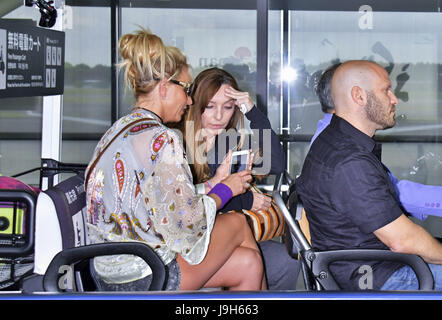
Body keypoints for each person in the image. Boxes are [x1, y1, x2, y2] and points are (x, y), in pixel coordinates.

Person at [85, 28, 266, 291]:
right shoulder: (163, 139)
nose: (190, 99)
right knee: (238, 222)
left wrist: (214, 183)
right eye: (185, 89)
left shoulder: (119, 130)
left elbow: (161, 202)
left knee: (248, 263)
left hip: (106, 272)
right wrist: (227, 190)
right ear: (164, 88)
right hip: (149, 274)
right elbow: (186, 225)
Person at [297, 60, 442, 290]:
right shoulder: (348, 161)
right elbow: (402, 240)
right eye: (386, 90)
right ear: (359, 96)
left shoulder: (336, 141)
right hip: (376, 276)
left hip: (371, 264)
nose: (394, 99)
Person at [180, 67, 299, 290]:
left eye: (227, 107)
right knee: (256, 260)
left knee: (287, 263)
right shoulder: (178, 141)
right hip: (192, 239)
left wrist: (253, 112)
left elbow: (276, 165)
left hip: (230, 233)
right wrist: (244, 201)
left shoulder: (229, 141)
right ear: (195, 104)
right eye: (209, 106)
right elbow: (183, 203)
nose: (218, 116)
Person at [312, 62, 442, 221]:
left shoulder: (331, 137)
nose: (394, 100)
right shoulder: (341, 149)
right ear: (353, 95)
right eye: (385, 91)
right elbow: (389, 196)